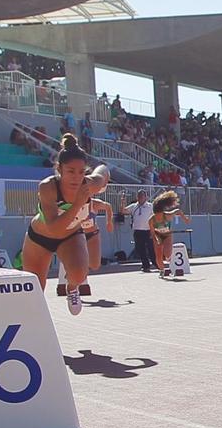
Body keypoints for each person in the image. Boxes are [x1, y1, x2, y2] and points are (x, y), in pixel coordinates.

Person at [20, 134, 109, 314]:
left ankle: (72, 288)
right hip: (40, 238)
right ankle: (34, 321)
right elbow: (54, 228)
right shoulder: (47, 188)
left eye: (81, 172)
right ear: (59, 169)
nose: (76, 178)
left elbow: (102, 173)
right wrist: (77, 204)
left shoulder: (90, 185)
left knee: (79, 274)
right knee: (34, 290)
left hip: (70, 236)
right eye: (70, 171)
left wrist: (103, 174)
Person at [149, 190, 188, 278]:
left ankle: (169, 259)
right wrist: (156, 240)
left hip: (167, 234)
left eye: (160, 214)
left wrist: (185, 219)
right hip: (157, 235)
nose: (159, 217)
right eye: (157, 215)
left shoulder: (167, 215)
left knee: (167, 253)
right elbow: (152, 232)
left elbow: (178, 211)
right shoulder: (151, 220)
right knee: (158, 255)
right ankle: (161, 270)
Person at [122, 190, 155, 272]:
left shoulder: (150, 206)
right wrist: (123, 202)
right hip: (138, 230)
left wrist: (153, 230)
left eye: (142, 196)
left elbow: (154, 218)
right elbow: (123, 211)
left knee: (151, 248)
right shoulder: (134, 206)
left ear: (146, 197)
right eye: (139, 196)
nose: (140, 198)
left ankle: (156, 263)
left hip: (148, 230)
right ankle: (146, 265)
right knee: (140, 249)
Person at [81, 197, 114, 272]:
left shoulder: (94, 203)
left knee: (95, 265)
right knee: (80, 262)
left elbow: (108, 206)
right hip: (78, 235)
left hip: (92, 234)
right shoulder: (73, 203)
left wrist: (109, 222)